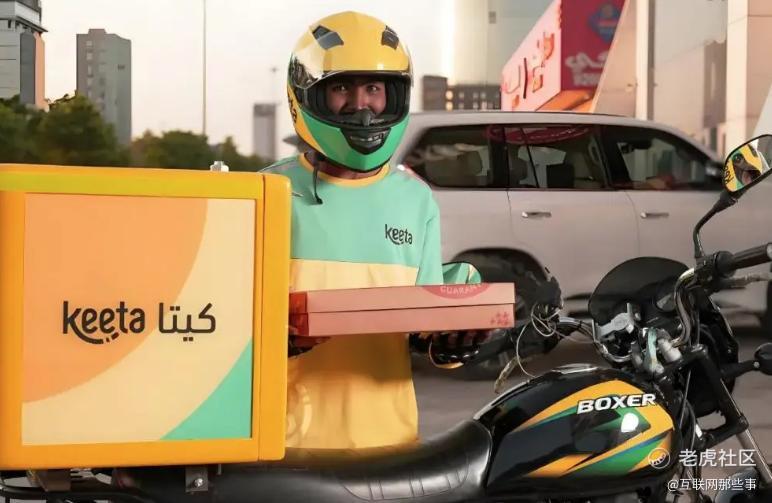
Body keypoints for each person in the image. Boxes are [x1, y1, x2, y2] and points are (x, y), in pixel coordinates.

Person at [261, 11, 489, 450]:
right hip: (284, 443)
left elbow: (423, 324)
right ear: (307, 96)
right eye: (341, 88)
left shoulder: (415, 200)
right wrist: (273, 337)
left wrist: (452, 341)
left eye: (374, 89)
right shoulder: (267, 193)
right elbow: (221, 327)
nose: (360, 106)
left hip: (389, 442)